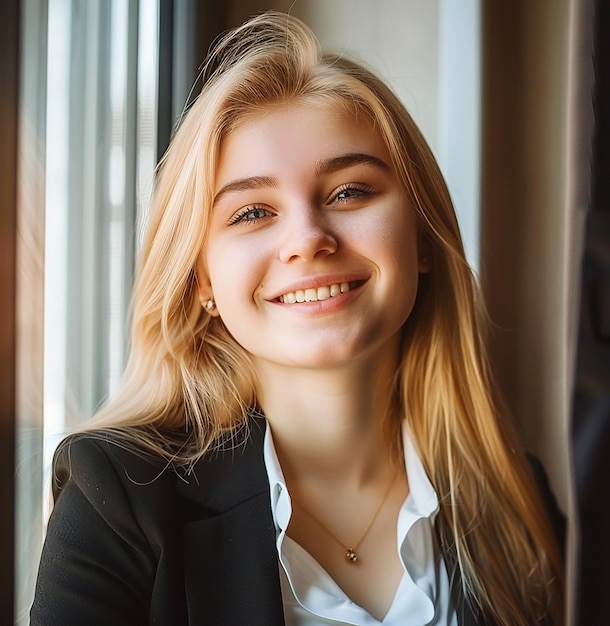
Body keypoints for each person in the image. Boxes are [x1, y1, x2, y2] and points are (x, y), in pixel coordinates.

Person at [31, 11, 564, 626]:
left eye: (349, 192)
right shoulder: (118, 498)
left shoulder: (517, 502)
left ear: (420, 238)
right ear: (201, 279)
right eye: (253, 212)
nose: (308, 240)